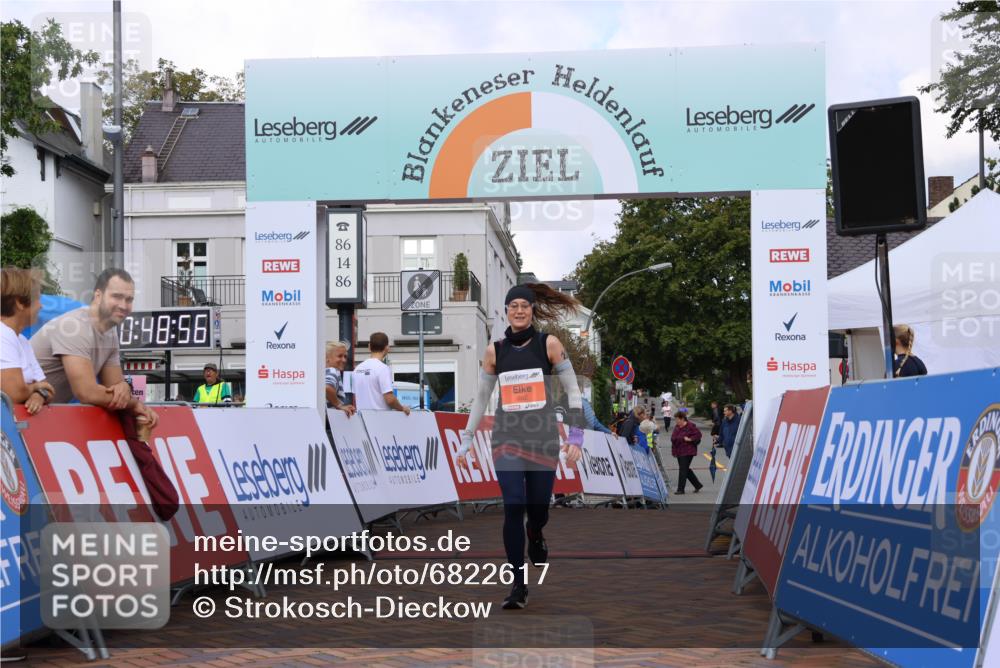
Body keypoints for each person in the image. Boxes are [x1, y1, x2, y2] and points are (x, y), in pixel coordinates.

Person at [456, 284, 585, 610]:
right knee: (513, 504)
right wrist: (468, 437)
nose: (518, 311)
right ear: (506, 311)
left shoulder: (549, 344)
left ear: (532, 310)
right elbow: (482, 398)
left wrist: (577, 436)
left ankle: (536, 533)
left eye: (524, 306)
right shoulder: (494, 351)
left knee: (538, 508)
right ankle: (518, 585)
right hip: (507, 438)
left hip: (541, 438)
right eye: (512, 305)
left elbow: (573, 391)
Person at [31, 268, 158, 435]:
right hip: (13, 413)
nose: (123, 305)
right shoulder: (74, 326)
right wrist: (134, 404)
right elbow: (87, 392)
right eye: (116, 296)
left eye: (129, 299)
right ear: (98, 295)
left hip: (34, 415)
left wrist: (124, 388)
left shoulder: (110, 333)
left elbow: (114, 388)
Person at [1, 268, 55, 415]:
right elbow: (14, 393)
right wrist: (34, 388)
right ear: (19, 303)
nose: (41, 305)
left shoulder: (22, 340)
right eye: (37, 298)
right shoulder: (2, 334)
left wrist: (39, 395)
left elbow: (48, 389)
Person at [352, 332, 410, 414]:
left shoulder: (357, 369)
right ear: (387, 348)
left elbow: (355, 397)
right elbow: (390, 399)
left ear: (369, 347)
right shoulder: (383, 368)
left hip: (362, 419)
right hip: (380, 420)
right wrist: (402, 408)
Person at [670, 408, 703, 494]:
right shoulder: (677, 427)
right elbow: (673, 438)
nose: (676, 421)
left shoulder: (690, 426)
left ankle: (680, 489)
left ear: (682, 419)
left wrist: (690, 439)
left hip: (688, 451)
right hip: (679, 451)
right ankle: (697, 485)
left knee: (683, 470)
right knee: (685, 469)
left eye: (677, 419)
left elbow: (698, 435)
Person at [325, 340, 356, 415]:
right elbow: (326, 387)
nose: (344, 360)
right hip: (329, 421)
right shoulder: (332, 371)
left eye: (345, 356)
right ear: (326, 358)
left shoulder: (323, 372)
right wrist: (339, 405)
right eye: (340, 356)